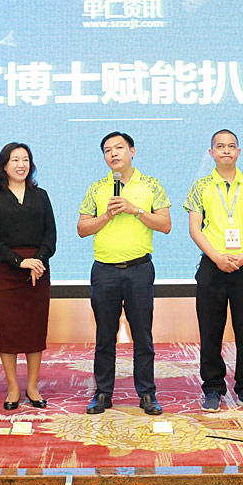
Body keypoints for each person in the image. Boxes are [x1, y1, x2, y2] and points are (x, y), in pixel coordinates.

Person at [78, 131, 171, 415]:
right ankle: (103, 393)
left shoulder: (151, 184)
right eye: (107, 150)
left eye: (119, 148)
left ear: (132, 151)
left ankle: (147, 393)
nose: (113, 154)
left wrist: (135, 210)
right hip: (104, 271)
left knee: (142, 335)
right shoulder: (97, 188)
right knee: (104, 336)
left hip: (139, 270)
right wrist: (106, 215)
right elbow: (82, 229)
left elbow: (165, 225)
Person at [184, 129, 243, 412]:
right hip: (212, 267)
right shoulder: (200, 187)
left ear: (239, 151)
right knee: (210, 332)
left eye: (231, 146)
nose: (226, 151)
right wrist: (216, 257)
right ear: (211, 153)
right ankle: (212, 388)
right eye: (220, 147)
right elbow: (195, 228)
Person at [0, 142, 56, 410]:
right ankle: (13, 387)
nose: (21, 164)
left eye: (25, 159)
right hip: (7, 270)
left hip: (38, 270)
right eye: (15, 160)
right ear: (4, 166)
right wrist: (20, 261)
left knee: (35, 329)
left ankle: (32, 386)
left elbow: (50, 236)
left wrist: (38, 261)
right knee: (9, 330)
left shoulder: (41, 196)